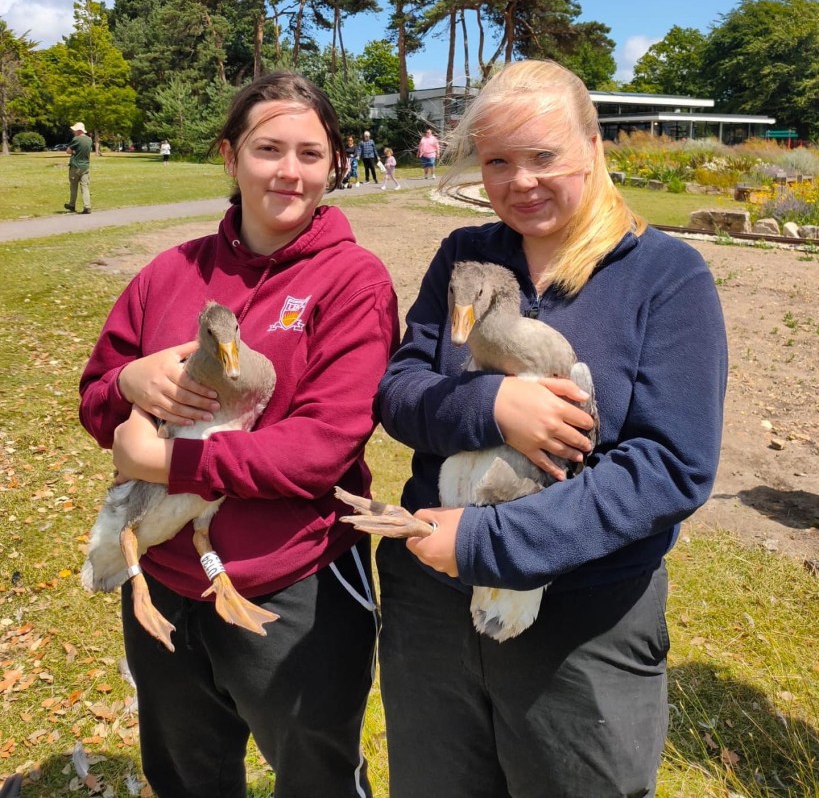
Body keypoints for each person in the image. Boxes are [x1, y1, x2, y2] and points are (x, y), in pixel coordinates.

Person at [375, 60, 727, 798]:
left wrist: (488, 542)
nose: (520, 181)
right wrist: (492, 405)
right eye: (497, 162)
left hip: (581, 618)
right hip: (431, 601)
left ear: (593, 147)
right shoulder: (463, 258)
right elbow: (399, 393)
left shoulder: (666, 277)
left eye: (543, 155)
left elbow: (670, 467)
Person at [78, 72, 399, 798]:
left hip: (297, 581)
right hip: (166, 579)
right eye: (267, 148)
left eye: (310, 153)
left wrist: (171, 460)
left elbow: (320, 450)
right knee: (186, 775)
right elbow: (96, 402)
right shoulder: (169, 273)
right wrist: (127, 383)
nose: (289, 170)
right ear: (229, 156)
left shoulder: (354, 282)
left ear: (335, 162)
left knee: (316, 777)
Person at [64, 121, 92, 214]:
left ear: (79, 130)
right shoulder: (89, 140)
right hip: (85, 166)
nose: (73, 132)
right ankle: (87, 206)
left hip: (75, 166)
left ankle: (72, 205)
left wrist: (73, 152)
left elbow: (68, 151)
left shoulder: (76, 139)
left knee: (73, 186)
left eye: (75, 130)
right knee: (85, 187)